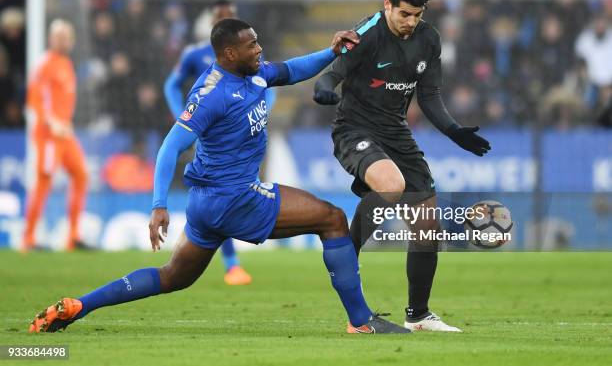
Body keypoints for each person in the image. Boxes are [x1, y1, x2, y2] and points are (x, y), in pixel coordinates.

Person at [29, 19, 409, 334]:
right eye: (252, 45)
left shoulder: (255, 74)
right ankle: (362, 321)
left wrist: (332, 52)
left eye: (258, 42)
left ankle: (79, 306)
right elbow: (169, 148)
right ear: (230, 54)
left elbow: (293, 70)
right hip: (235, 198)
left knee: (173, 277)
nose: (259, 49)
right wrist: (159, 205)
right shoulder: (211, 94)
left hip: (208, 204)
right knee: (333, 219)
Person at [313, 0, 491, 332]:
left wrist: (454, 131)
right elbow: (331, 76)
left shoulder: (429, 38)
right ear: (387, 5)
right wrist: (323, 88)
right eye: (404, 14)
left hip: (396, 132)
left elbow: (428, 96)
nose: (411, 22)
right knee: (390, 184)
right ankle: (347, 251)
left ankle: (419, 315)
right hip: (354, 130)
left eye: (417, 14)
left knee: (428, 224)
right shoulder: (366, 34)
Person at [164, 0, 263, 286]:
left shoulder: (247, 54)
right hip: (211, 129)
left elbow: (269, 79)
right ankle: (231, 263)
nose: (224, 18)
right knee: (221, 191)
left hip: (243, 126)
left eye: (229, 15)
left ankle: (223, 259)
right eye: (220, 15)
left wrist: (263, 104)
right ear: (211, 21)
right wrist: (179, 116)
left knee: (231, 190)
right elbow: (170, 84)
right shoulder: (195, 55)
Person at [23, 19, 88, 251]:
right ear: (51, 38)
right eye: (58, 36)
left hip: (65, 133)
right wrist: (52, 122)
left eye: (66, 36)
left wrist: (64, 123)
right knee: (44, 181)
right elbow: (35, 99)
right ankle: (28, 239)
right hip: (49, 134)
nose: (63, 40)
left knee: (81, 175)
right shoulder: (44, 64)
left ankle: (73, 237)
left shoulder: (66, 63)